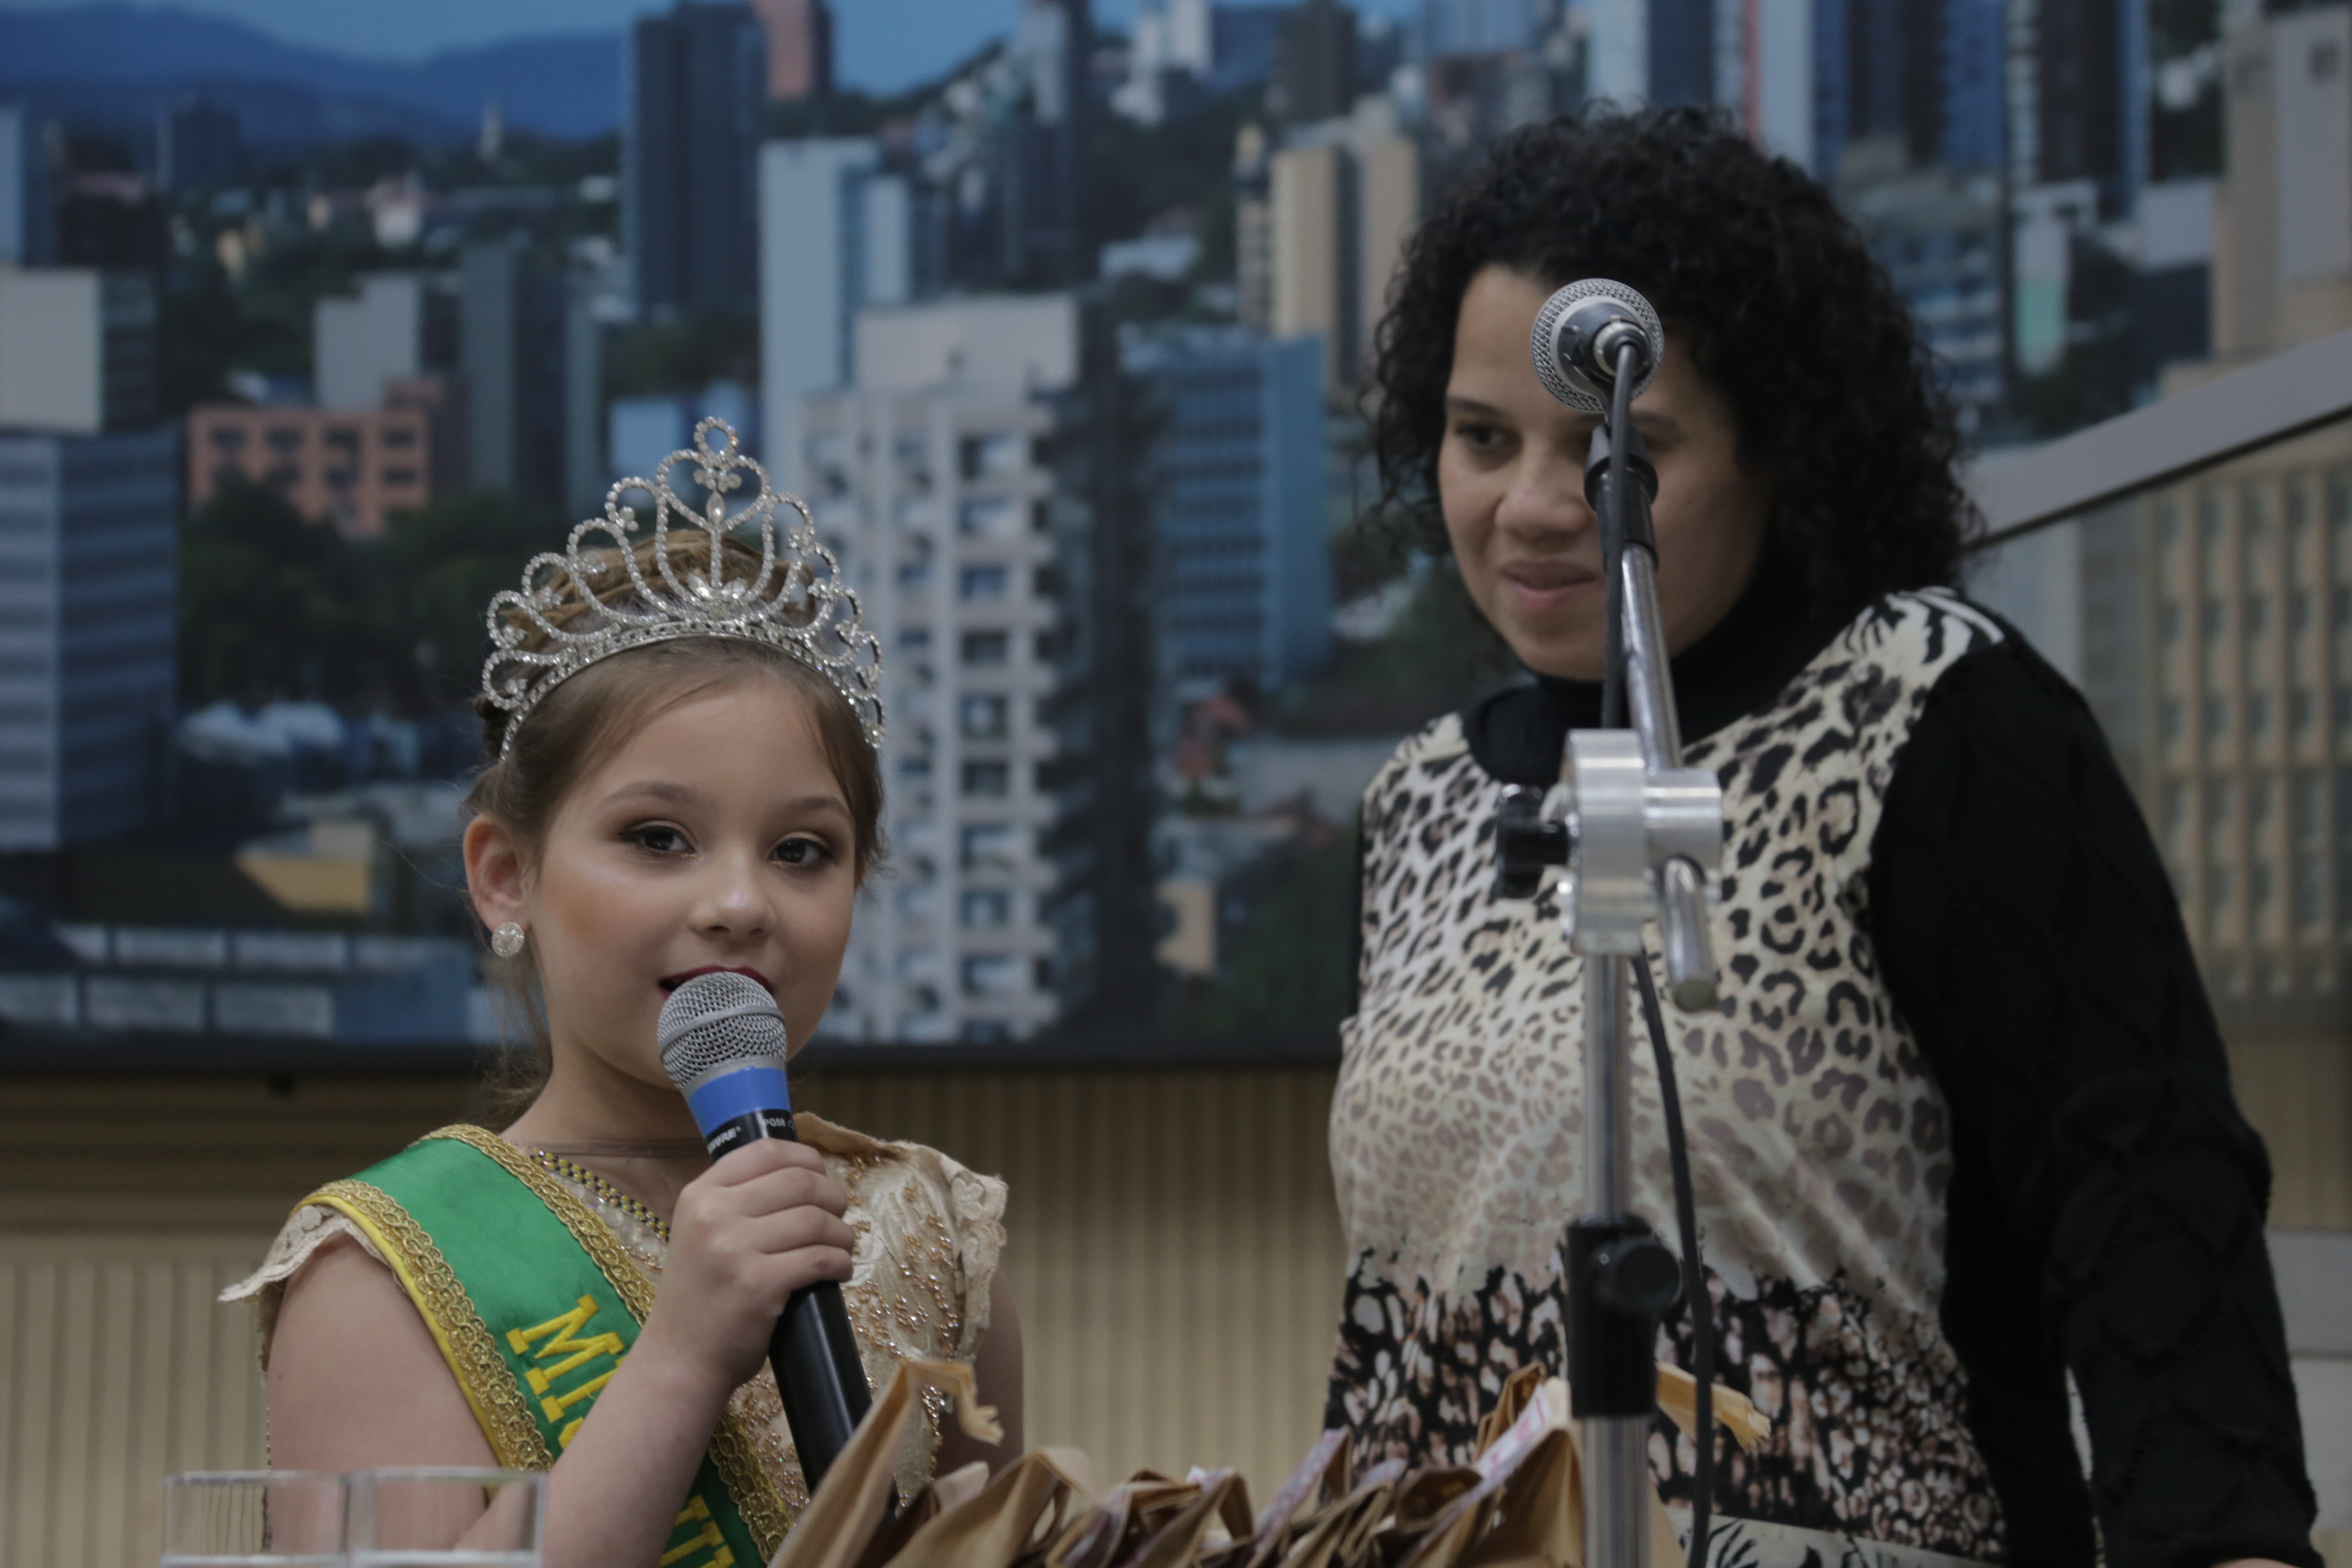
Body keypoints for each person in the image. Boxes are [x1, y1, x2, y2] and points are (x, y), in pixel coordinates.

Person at [1324, 108, 2318, 1568]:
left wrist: (2224, 1542)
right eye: (1483, 438)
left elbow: (2142, 1181)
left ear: (1778, 447)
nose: (1532, 506)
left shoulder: (1928, 709)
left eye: (1617, 448)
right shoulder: (1420, 798)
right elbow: (1392, 1334)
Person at [226, 426, 1020, 1568]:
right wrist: (682, 1358)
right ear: (506, 875)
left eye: (802, 851)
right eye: (658, 838)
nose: (740, 902)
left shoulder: (931, 1232)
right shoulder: (384, 1271)